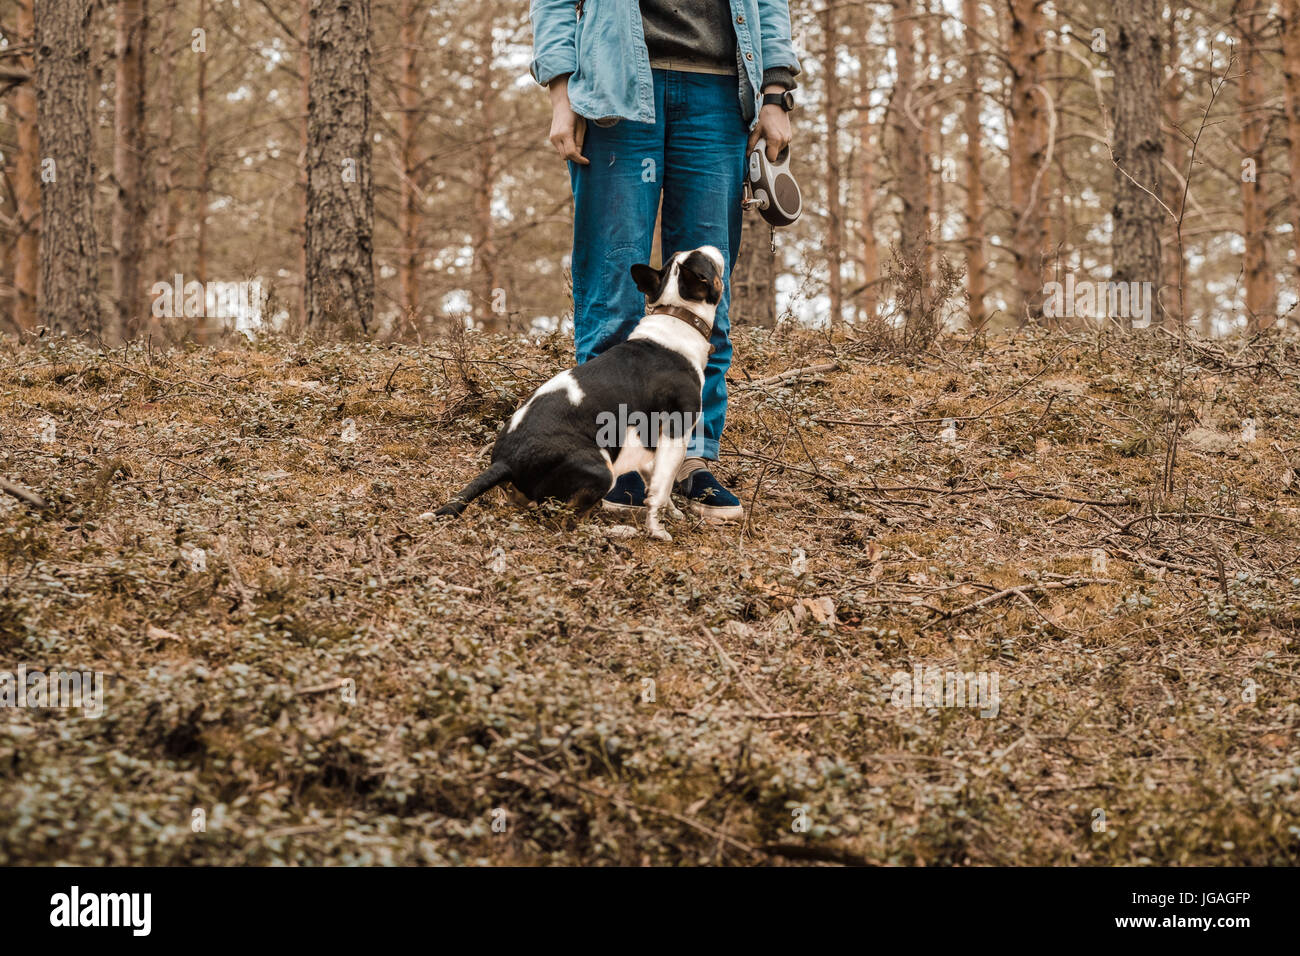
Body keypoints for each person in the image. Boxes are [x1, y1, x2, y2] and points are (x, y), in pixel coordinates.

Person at [530, 0, 800, 522]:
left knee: (704, 296)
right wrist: (561, 92)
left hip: (719, 92)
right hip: (615, 85)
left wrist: (775, 93)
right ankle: (618, 459)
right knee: (613, 286)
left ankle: (691, 457)